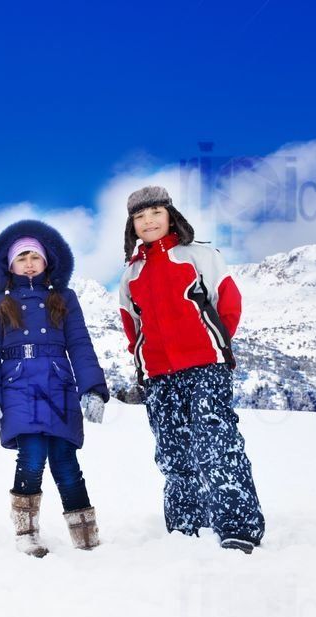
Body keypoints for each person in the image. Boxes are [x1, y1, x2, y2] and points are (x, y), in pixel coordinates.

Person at [118, 185, 265, 553]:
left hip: (205, 367)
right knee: (173, 452)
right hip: (159, 376)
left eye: (155, 212)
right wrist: (145, 363)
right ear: (132, 226)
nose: (149, 221)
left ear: (171, 216)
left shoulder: (200, 255)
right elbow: (132, 326)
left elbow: (227, 303)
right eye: (140, 217)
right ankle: (186, 529)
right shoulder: (130, 274)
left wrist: (212, 345)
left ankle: (238, 528)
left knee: (217, 444)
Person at [0, 221, 108, 557]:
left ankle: (86, 536)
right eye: (21, 258)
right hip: (18, 386)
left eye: (35, 256)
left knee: (65, 460)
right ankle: (26, 532)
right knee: (31, 456)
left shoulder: (64, 299)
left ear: (47, 261)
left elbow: (80, 344)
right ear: (9, 266)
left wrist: (92, 388)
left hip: (58, 384)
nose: (29, 263)